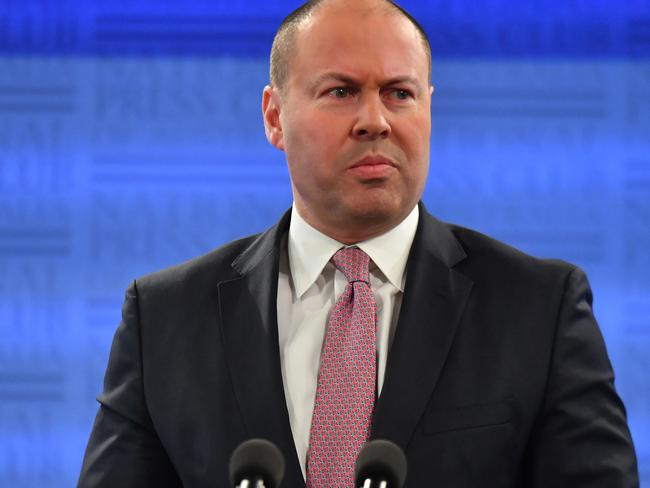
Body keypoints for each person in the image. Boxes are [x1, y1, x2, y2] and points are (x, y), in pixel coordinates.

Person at [78, 0, 639, 486]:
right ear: (274, 116)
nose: (375, 121)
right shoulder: (165, 317)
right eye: (342, 91)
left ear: (429, 108)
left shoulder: (539, 309)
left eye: (399, 93)